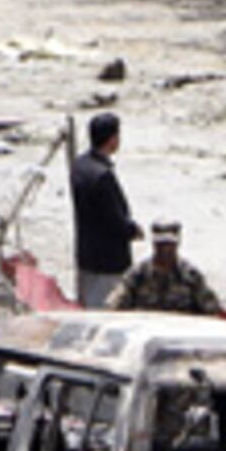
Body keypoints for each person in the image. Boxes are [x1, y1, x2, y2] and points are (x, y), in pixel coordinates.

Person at [70, 112, 141, 309]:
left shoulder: (79, 166)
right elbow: (113, 218)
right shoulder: (102, 176)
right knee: (106, 310)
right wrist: (132, 230)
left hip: (86, 255)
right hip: (108, 261)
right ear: (113, 139)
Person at [114, 221, 225, 316]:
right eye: (161, 244)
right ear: (154, 244)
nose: (165, 249)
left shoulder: (190, 276)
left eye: (169, 244)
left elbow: (213, 309)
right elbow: (116, 308)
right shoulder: (138, 275)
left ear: (177, 244)